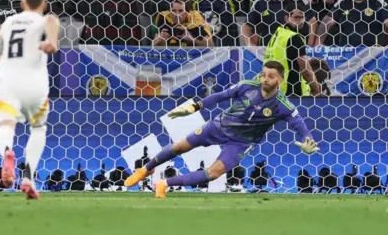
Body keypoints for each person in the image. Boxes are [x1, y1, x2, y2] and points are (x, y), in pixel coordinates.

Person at [125, 60, 320, 198]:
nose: (265, 79)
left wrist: (307, 141)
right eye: (263, 74)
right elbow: (219, 96)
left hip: (242, 143)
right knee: (179, 147)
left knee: (213, 173)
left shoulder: (283, 105)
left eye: (271, 76)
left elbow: (299, 124)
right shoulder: (247, 86)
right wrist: (194, 107)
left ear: (280, 80)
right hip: (218, 126)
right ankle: (145, 170)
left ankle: (164, 184)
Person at [0, 0, 60, 200]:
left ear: (22, 4)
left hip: (9, 81)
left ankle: (8, 152)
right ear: (44, 4)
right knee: (38, 129)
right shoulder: (47, 20)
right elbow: (53, 44)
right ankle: (28, 176)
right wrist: (49, 45)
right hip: (35, 82)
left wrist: (9, 64)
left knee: (6, 125)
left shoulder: (8, 23)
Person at [264, 1, 321, 96]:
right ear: (286, 18)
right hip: (291, 91)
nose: (299, 21)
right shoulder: (294, 38)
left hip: (275, 90)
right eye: (296, 17)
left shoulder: (278, 34)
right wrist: (316, 89)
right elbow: (306, 70)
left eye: (302, 17)